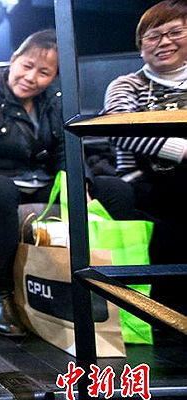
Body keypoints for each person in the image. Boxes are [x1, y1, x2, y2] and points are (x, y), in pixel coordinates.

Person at [0, 29, 136, 337]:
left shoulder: (54, 101)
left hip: (42, 182)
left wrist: (83, 185)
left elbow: (66, 150)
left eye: (44, 72)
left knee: (116, 190)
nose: (31, 77)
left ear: (53, 77)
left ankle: (112, 286)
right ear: (13, 60)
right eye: (26, 65)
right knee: (1, 188)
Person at [103, 0, 187, 264]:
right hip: (142, 183)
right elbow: (117, 127)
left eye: (175, 32)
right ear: (141, 47)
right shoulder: (127, 84)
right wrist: (182, 150)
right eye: (152, 36)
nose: (164, 42)